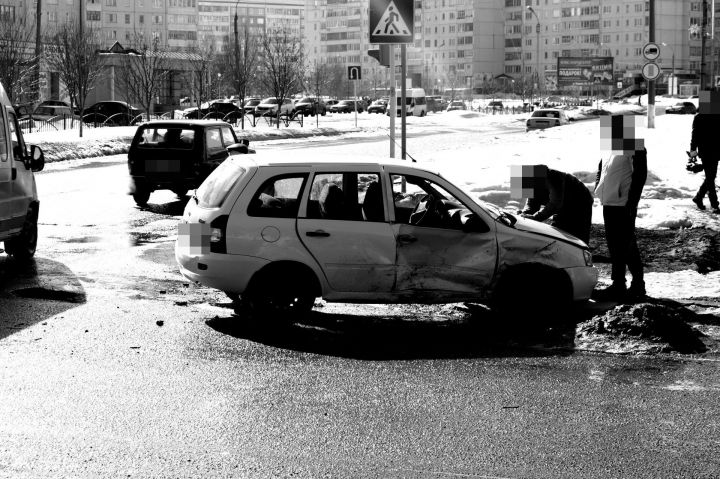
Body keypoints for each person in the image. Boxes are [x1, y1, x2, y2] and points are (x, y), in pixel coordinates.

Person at [594, 115, 647, 302]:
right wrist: (598, 189)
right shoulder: (609, 148)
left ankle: (635, 284)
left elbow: (640, 176)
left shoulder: (635, 146)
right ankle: (620, 284)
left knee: (626, 244)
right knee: (614, 244)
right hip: (608, 202)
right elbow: (602, 170)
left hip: (623, 204)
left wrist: (632, 202)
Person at [516, 165, 594, 244]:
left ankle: (583, 252)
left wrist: (535, 217)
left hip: (581, 200)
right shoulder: (531, 180)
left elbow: (554, 205)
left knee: (578, 232)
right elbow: (531, 204)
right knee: (558, 231)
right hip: (563, 204)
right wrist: (523, 214)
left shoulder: (554, 178)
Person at [689, 91, 720, 214]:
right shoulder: (700, 117)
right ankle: (714, 205)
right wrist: (692, 152)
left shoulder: (714, 116)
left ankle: (698, 197)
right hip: (707, 151)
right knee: (711, 178)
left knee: (710, 177)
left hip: (715, 151)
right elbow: (694, 136)